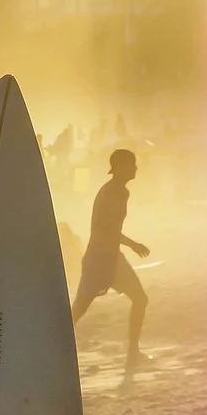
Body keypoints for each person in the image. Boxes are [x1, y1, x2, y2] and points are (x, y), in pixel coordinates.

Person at [73, 148, 151, 364]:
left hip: (112, 258)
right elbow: (104, 229)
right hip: (98, 259)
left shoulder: (122, 192)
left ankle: (133, 352)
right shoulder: (109, 192)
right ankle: (50, 346)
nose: (136, 167)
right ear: (119, 167)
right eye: (132, 163)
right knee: (79, 308)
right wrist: (133, 244)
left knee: (140, 298)